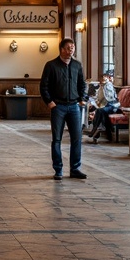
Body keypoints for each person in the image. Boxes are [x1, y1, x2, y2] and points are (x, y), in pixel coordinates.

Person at [40, 38, 86, 180]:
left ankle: (75, 169)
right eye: (68, 47)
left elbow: (82, 84)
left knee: (77, 138)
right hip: (58, 106)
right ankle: (58, 170)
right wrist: (49, 102)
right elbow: (43, 86)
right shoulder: (51, 65)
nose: (71, 50)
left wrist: (82, 99)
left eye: (73, 47)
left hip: (74, 107)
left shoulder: (77, 65)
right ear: (61, 49)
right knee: (57, 139)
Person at [87, 67, 120, 143]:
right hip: (107, 105)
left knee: (100, 110)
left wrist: (99, 103)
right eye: (101, 78)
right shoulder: (102, 86)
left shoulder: (108, 85)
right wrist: (97, 102)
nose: (102, 79)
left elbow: (109, 98)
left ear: (107, 78)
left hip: (113, 105)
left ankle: (95, 129)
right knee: (100, 111)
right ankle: (99, 129)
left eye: (104, 77)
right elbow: (100, 97)